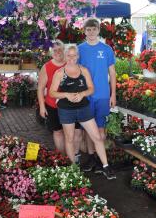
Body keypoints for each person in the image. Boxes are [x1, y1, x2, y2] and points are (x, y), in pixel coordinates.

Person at [50, 44, 116, 179]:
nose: (72, 58)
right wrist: (66, 95)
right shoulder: (59, 73)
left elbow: (91, 89)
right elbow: (52, 92)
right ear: (65, 56)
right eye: (69, 55)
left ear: (78, 56)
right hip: (66, 110)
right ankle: (74, 167)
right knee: (70, 138)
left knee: (97, 137)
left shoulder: (83, 70)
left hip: (83, 108)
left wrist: (82, 94)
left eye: (74, 55)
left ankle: (105, 166)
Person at [78, 18, 116, 172]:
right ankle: (91, 157)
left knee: (100, 130)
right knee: (88, 129)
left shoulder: (106, 49)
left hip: (102, 95)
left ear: (99, 30)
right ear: (84, 31)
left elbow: (112, 74)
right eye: (88, 29)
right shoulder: (80, 49)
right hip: (86, 95)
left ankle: (102, 160)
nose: (91, 32)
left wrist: (113, 95)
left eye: (94, 29)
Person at [37, 40, 82, 156]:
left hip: (72, 105)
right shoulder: (46, 67)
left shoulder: (71, 63)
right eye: (54, 50)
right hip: (53, 105)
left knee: (76, 132)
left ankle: (75, 156)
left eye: (60, 50)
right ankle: (62, 157)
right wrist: (42, 107)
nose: (57, 52)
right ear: (51, 52)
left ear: (64, 51)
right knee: (58, 132)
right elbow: (40, 89)